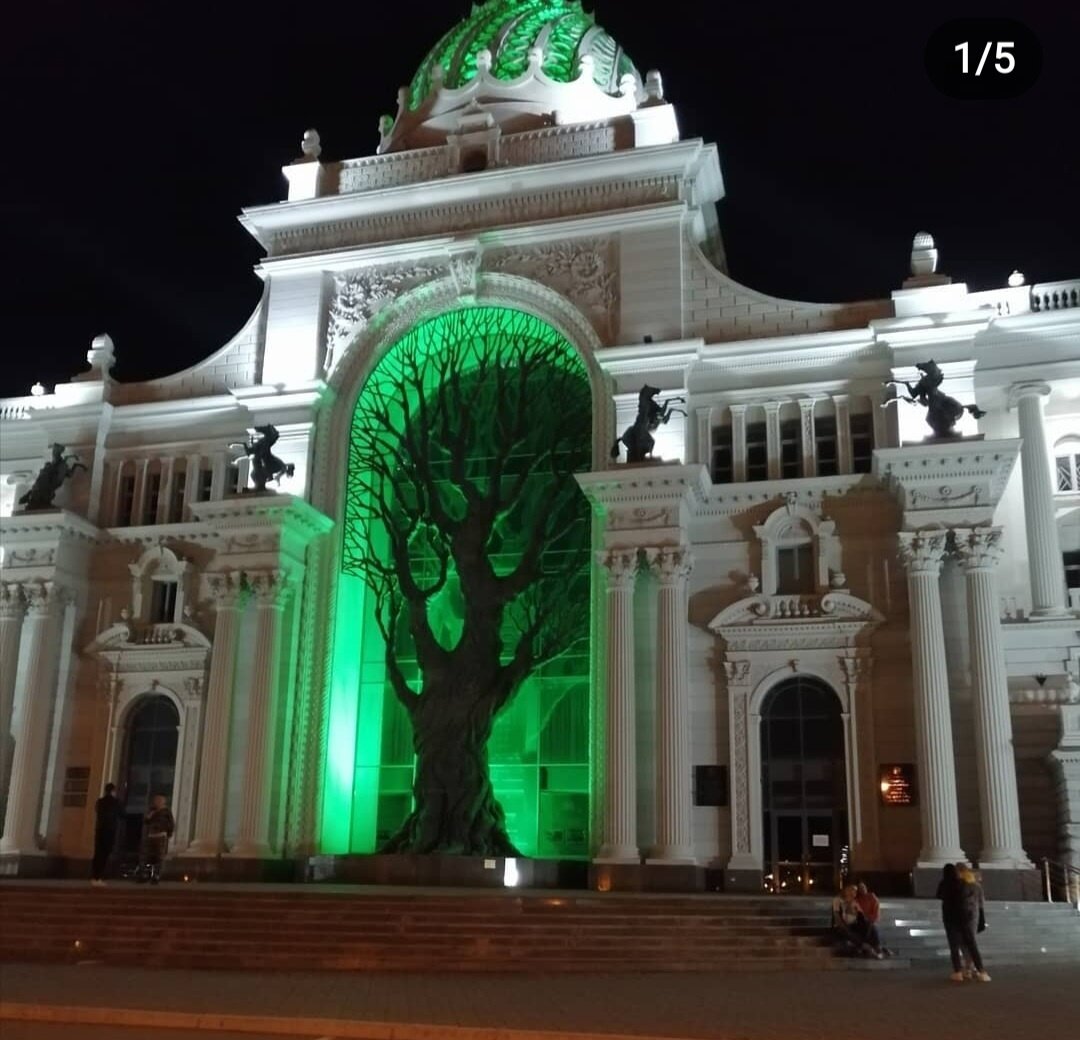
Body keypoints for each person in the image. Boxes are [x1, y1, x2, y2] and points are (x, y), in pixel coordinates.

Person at [937, 862, 990, 982]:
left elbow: (939, 896)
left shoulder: (944, 884)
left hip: (950, 919)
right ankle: (981, 971)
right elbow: (976, 901)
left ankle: (958, 972)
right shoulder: (964, 884)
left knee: (954, 946)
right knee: (971, 945)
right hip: (966, 918)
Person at [831, 883, 882, 958]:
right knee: (847, 931)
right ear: (846, 890)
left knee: (870, 925)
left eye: (855, 891)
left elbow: (862, 917)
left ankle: (878, 947)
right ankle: (866, 947)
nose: (853, 893)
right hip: (841, 927)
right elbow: (837, 919)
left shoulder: (855, 902)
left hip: (853, 925)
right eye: (851, 890)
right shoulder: (838, 900)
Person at [137, 794, 174, 885]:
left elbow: (171, 824)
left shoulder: (166, 812)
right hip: (151, 836)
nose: (157, 802)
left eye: (159, 801)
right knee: (146, 856)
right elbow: (146, 821)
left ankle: (156, 876)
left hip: (161, 836)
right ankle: (144, 875)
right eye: (156, 800)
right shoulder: (152, 811)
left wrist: (168, 833)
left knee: (160, 857)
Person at [91, 783, 122, 886]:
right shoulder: (115, 802)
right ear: (113, 791)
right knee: (105, 854)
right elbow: (122, 814)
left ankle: (94, 876)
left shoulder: (100, 802)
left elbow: (97, 811)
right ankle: (99, 876)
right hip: (109, 831)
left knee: (98, 853)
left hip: (100, 829)